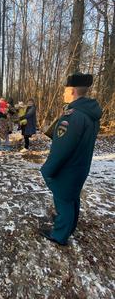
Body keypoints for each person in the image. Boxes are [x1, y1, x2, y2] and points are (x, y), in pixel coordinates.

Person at [40, 73, 102, 246]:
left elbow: (62, 148)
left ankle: (59, 235)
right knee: (72, 197)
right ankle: (69, 226)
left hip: (68, 168)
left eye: (65, 90)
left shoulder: (73, 115)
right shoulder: (90, 113)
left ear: (73, 91)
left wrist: (48, 169)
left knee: (64, 200)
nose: (63, 94)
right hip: (81, 165)